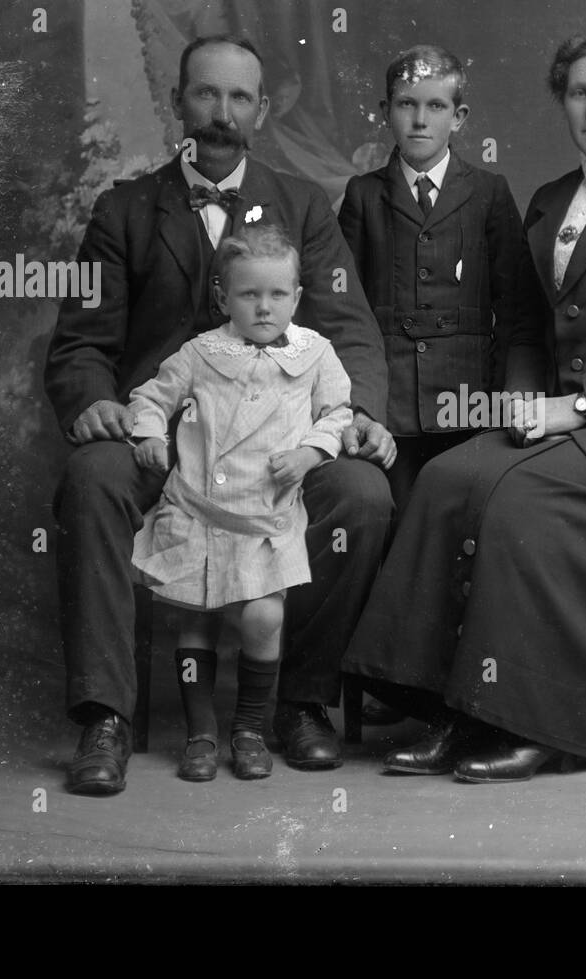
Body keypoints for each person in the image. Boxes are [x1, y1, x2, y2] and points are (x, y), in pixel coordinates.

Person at [342, 35, 586, 782]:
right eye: (581, 92)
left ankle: (541, 722)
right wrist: (526, 399)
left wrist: (578, 405)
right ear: (563, 100)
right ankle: (448, 708)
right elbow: (525, 320)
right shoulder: (553, 199)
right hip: (569, 416)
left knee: (520, 502)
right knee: (448, 479)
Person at [47, 34, 395, 795]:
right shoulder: (125, 208)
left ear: (262, 110)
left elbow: (348, 326)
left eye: (240, 98)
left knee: (361, 497)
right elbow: (81, 342)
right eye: (206, 94)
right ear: (179, 102)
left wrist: (360, 409)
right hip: (162, 443)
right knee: (90, 480)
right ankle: (104, 715)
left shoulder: (304, 205)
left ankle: (297, 702)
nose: (222, 113)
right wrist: (99, 400)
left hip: (273, 440)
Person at [127, 224, 352, 781]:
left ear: (297, 298)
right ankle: (200, 733)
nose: (264, 307)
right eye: (249, 295)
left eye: (278, 295)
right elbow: (152, 397)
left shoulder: (314, 354)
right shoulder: (203, 354)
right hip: (200, 511)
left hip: (265, 518)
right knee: (197, 622)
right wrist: (151, 435)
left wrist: (309, 453)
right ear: (223, 297)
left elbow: (338, 413)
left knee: (263, 615)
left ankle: (249, 727)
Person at [338, 44, 525, 517]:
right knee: (393, 522)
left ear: (458, 117)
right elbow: (348, 311)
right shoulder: (363, 196)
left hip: (468, 400)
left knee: (463, 524)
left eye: (435, 106)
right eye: (406, 104)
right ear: (386, 112)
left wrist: (503, 400)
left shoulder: (488, 192)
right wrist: (361, 403)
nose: (420, 120)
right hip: (391, 402)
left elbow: (518, 309)